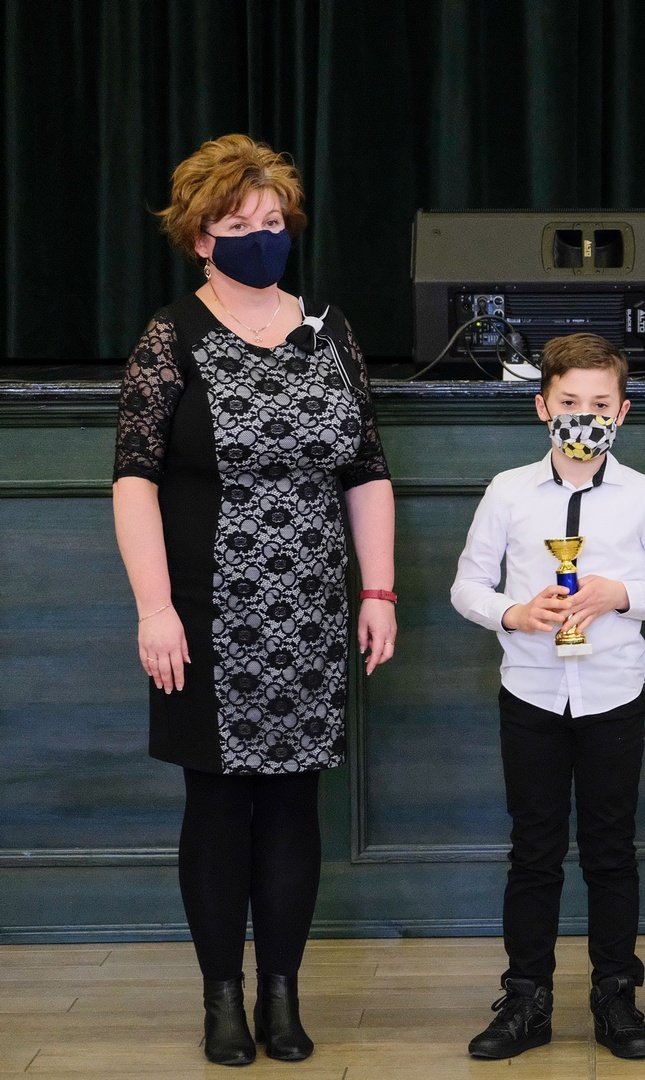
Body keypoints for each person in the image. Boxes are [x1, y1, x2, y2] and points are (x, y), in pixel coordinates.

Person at [112, 134, 396, 1066]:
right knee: (218, 804)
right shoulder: (172, 337)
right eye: (240, 224)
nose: (263, 237)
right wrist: (155, 608)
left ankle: (281, 993)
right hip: (205, 613)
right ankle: (222, 999)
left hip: (309, 609)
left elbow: (366, 469)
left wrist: (379, 588)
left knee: (292, 805)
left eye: (274, 221)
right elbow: (134, 479)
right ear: (201, 237)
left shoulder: (330, 332)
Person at [449, 332, 645, 1062]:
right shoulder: (507, 491)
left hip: (612, 695)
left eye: (598, 403)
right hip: (530, 694)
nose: (583, 416)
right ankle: (526, 997)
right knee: (534, 849)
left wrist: (620, 593)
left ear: (622, 412)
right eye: (568, 402)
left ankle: (616, 996)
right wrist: (513, 613)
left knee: (611, 849)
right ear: (542, 407)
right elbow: (467, 586)